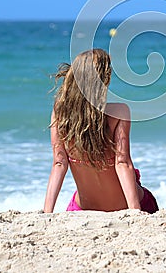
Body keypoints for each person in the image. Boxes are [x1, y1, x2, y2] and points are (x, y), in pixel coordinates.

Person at [44, 48, 158, 213]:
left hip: (83, 209)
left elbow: (59, 163)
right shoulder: (119, 112)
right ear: (104, 79)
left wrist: (47, 213)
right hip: (123, 206)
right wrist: (135, 212)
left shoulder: (60, 111)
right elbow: (122, 163)